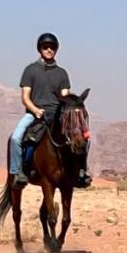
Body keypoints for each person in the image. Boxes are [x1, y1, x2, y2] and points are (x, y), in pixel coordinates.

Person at [9, 33, 92, 187]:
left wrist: (70, 109)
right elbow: (25, 97)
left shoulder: (62, 73)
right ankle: (18, 172)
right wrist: (35, 110)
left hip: (57, 114)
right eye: (45, 47)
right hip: (35, 114)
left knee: (83, 139)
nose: (49, 50)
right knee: (16, 138)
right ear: (40, 49)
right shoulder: (30, 70)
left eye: (52, 47)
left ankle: (81, 172)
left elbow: (65, 96)